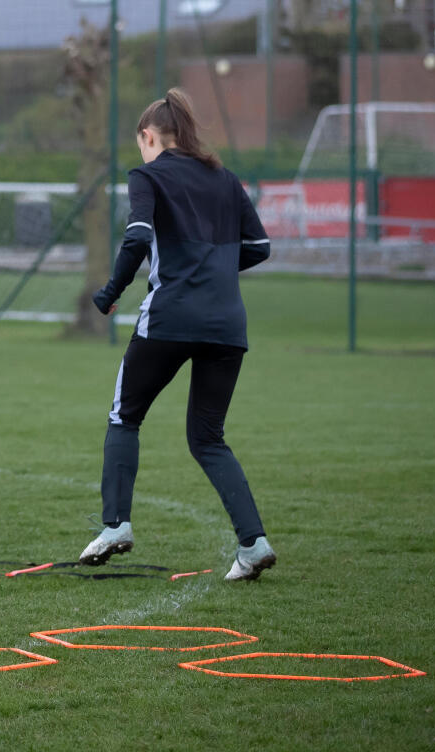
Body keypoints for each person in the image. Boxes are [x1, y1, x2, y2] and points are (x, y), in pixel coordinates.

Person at [81, 88, 276, 581]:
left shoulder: (147, 176)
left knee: (124, 416)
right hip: (228, 325)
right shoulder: (226, 179)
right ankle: (254, 544)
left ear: (149, 137)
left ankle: (116, 524)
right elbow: (260, 247)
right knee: (209, 438)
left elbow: (138, 236)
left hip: (170, 317)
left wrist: (109, 292)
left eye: (140, 143)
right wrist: (214, 272)